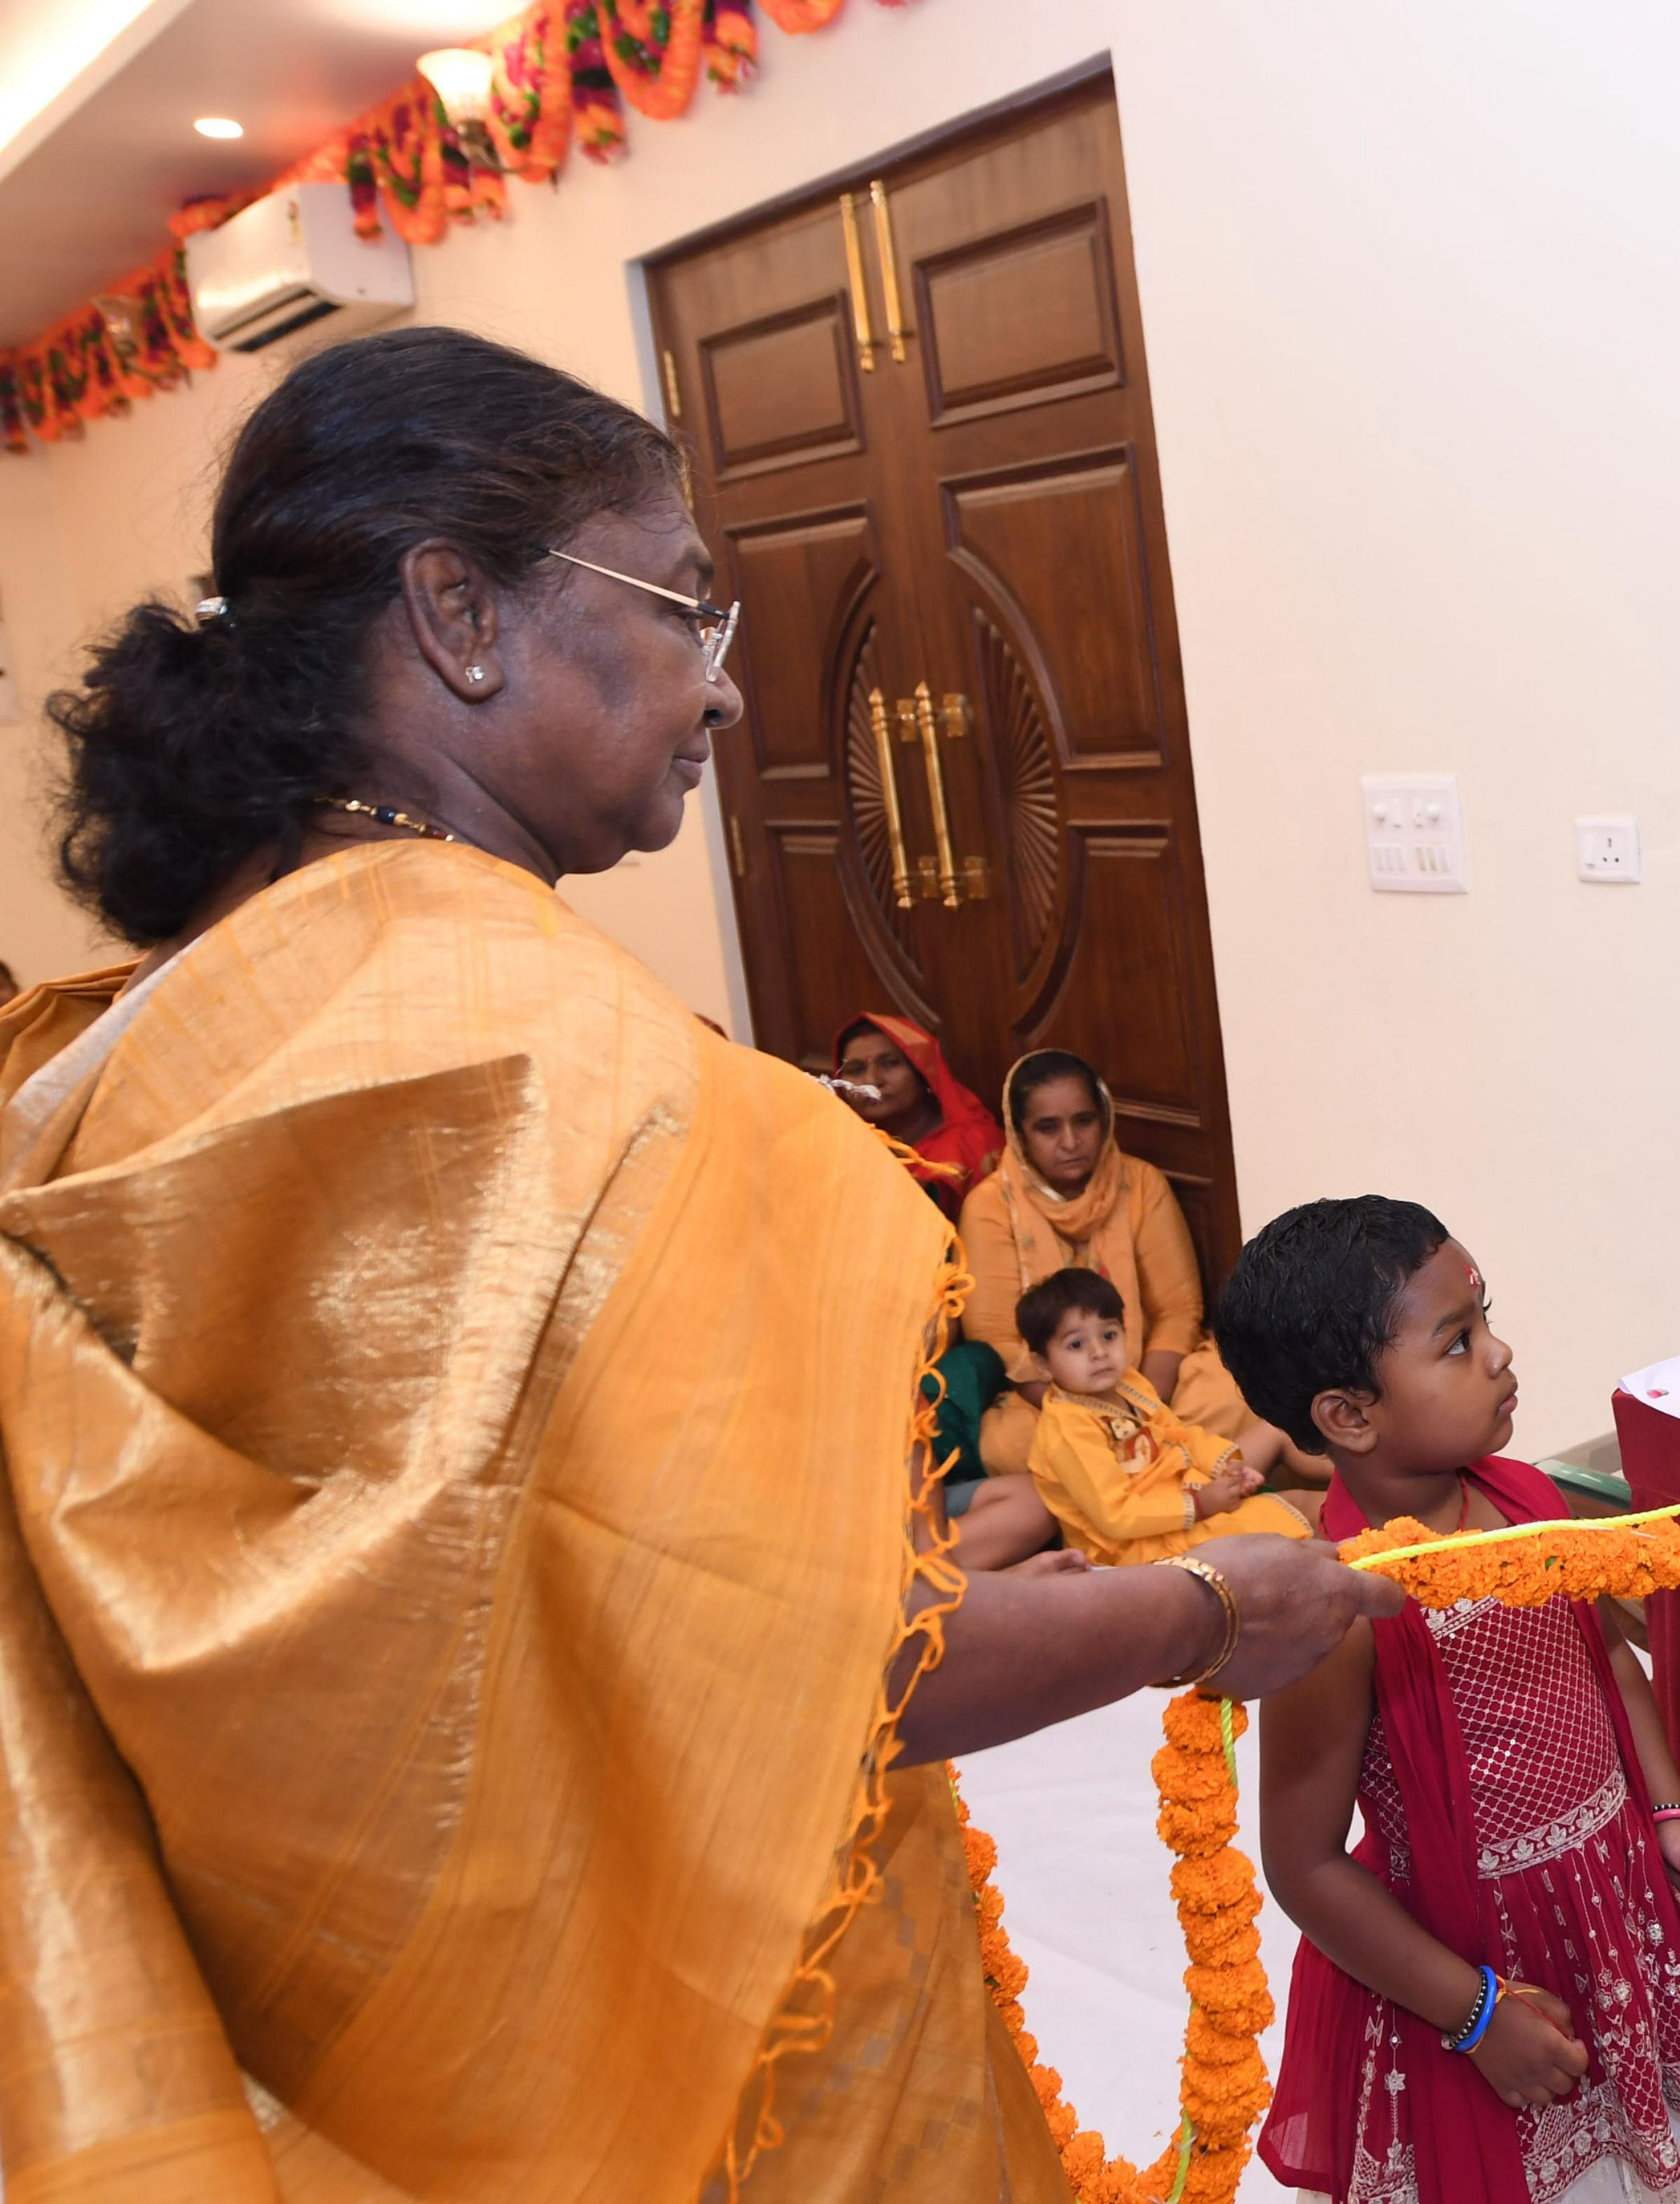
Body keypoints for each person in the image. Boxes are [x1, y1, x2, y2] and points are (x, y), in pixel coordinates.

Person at [0, 325, 1398, 2204]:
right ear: (459, 614)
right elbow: (847, 1657)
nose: (723, 686)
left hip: (371, 2053)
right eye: (681, 606)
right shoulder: (583, 1073)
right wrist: (1207, 1608)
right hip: (701, 2054)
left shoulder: (140, 1030)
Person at [1217, 1197, 1680, 2204]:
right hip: (1475, 1964)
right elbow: (1303, 1864)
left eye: (1485, 1319)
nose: (1499, 1352)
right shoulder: (1342, 1604)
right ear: (1348, 1415)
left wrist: (1668, 1810)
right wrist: (1475, 2014)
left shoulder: (1529, 1499)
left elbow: (1607, 1659)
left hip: (1607, 1909)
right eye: (1456, 1342)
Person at [961, 1047, 1323, 1489]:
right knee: (1010, 1444)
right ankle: (1173, 1480)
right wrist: (1087, 1414)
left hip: (1152, 1386)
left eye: (1083, 1121)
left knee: (1229, 1391)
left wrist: (1142, 1408)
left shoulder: (1142, 1184)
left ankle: (1148, 1481)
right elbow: (997, 1338)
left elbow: (1177, 1309)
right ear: (1018, 1133)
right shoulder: (989, 1206)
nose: (1070, 1142)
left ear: (1104, 1118)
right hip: (1052, 1399)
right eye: (1048, 1127)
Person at [1021, 1267, 1313, 1565]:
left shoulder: (1129, 1384)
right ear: (1042, 1364)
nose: (1099, 1352)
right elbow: (1118, 1517)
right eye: (1076, 1344)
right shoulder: (1066, 1429)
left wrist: (1227, 1467)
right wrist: (1199, 1505)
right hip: (1139, 1550)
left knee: (1303, 1507)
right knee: (1297, 1525)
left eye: (1109, 1336)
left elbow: (1180, 1436)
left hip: (1184, 1502)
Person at [832, 1010, 1003, 1218]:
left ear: (922, 1072)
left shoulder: (972, 1142)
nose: (873, 1080)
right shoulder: (838, 1149)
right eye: (856, 1069)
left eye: (890, 1063)